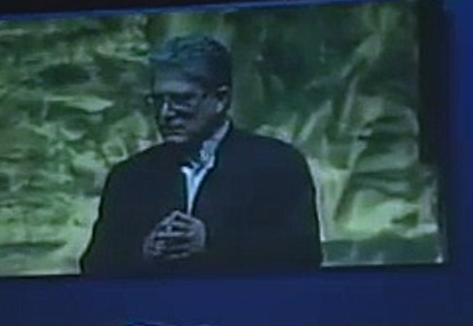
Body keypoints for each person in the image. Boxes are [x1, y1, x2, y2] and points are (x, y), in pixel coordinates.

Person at [80, 34, 322, 275]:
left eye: (181, 100)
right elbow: (94, 266)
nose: (165, 113)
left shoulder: (277, 165)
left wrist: (211, 242)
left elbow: (304, 254)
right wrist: (143, 251)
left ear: (221, 99)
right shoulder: (129, 177)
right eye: (158, 100)